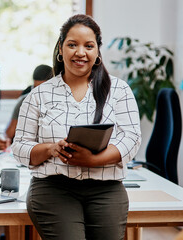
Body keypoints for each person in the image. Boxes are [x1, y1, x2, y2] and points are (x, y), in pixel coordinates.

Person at [11, 14, 142, 240]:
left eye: (88, 46)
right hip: (54, 189)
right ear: (61, 49)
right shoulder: (38, 95)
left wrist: (92, 161)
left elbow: (131, 139)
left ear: (97, 51)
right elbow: (20, 148)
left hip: (106, 188)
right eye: (72, 45)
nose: (80, 52)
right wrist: (51, 149)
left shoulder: (119, 90)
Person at [0, 64, 53, 150]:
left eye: (42, 89)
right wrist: (2, 139)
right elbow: (8, 134)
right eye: (35, 88)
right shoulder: (25, 101)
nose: (37, 94)